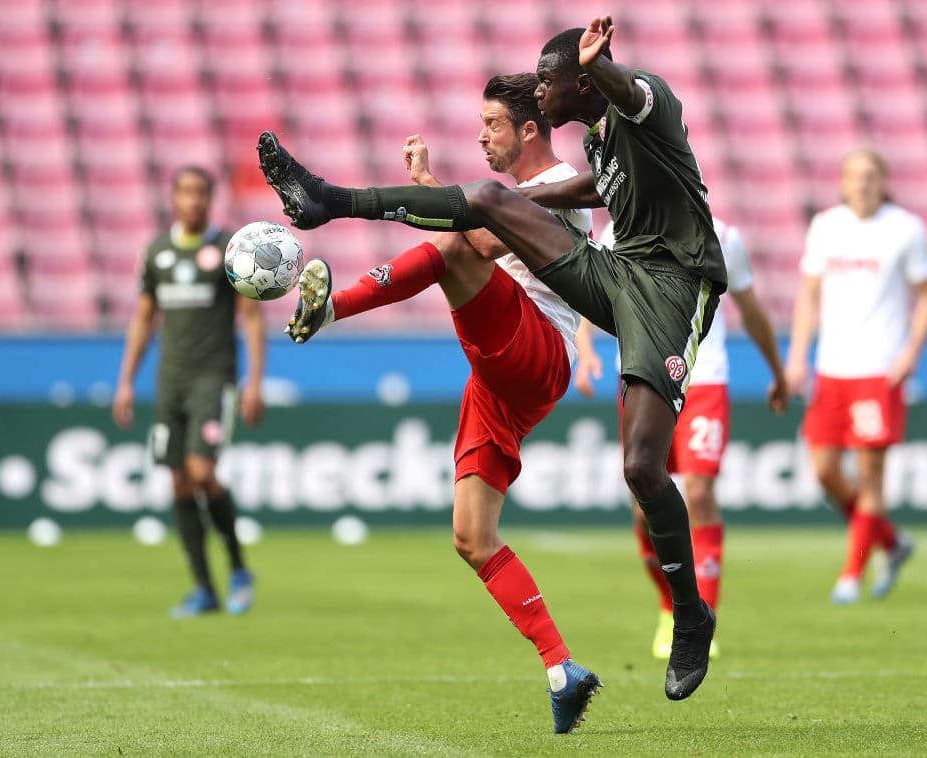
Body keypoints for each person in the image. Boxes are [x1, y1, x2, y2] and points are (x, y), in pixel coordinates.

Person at [259, 16, 727, 702]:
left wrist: (601, 68)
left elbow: (626, 92)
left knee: (641, 467)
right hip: (615, 274)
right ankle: (326, 200)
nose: (540, 90)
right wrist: (470, 204)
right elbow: (578, 195)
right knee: (481, 201)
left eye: (548, 78)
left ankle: (690, 614)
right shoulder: (598, 148)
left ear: (580, 79)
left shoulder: (644, 100)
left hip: (673, 289)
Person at [284, 73, 600, 734]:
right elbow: (477, 226)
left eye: (491, 124)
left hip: (538, 351)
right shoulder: (521, 193)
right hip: (501, 378)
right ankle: (560, 668)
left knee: (455, 245)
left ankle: (331, 309)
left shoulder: (558, 186)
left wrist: (430, 198)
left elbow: (475, 239)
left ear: (529, 130)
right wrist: (432, 192)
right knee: (471, 537)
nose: (481, 135)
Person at [576, 217, 787, 660]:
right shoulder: (617, 233)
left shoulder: (725, 236)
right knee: (642, 506)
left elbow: (749, 310)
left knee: (701, 492)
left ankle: (702, 617)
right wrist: (586, 349)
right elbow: (591, 291)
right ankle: (668, 606)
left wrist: (778, 372)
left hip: (704, 379)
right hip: (642, 377)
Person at [785, 147, 927, 604]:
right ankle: (891, 542)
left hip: (879, 370)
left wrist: (911, 352)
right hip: (832, 369)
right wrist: (797, 357)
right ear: (843, 181)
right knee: (825, 470)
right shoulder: (826, 226)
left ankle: (852, 575)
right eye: (855, 176)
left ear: (884, 179)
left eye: (871, 175)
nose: (863, 183)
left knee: (871, 476)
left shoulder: (906, 229)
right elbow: (809, 296)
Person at [113, 166, 265, 618]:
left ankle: (239, 568)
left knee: (201, 471)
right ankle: (204, 589)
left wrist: (254, 381)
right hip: (170, 381)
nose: (193, 201)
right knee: (178, 481)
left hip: (213, 379)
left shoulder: (228, 251)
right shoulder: (157, 252)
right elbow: (143, 318)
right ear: (174, 198)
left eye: (201, 193)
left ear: (211, 198)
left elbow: (251, 317)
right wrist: (125, 381)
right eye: (186, 193)